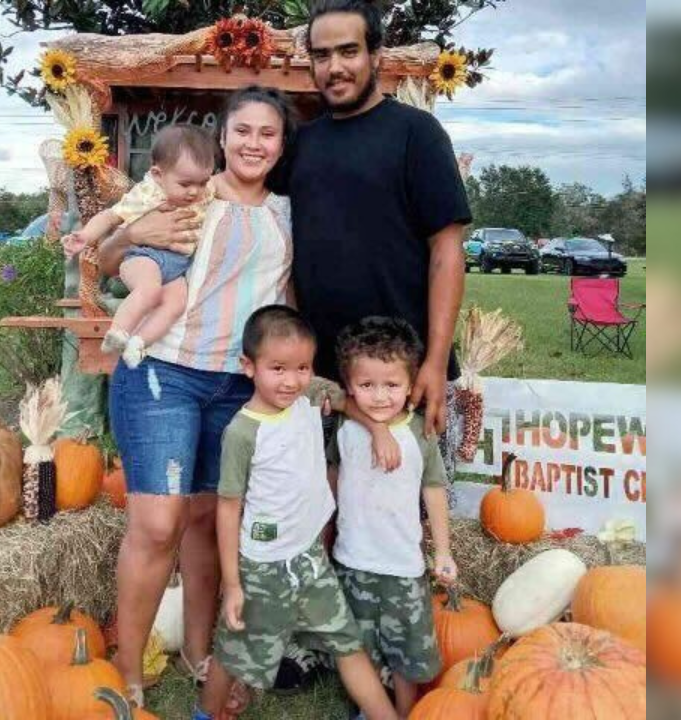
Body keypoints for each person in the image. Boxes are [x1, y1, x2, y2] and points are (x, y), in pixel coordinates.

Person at [93, 86, 295, 710]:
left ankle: (198, 651)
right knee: (159, 523)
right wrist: (128, 237)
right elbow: (106, 259)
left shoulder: (291, 210)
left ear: (282, 144)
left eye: (268, 132)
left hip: (238, 381)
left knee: (210, 520)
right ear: (224, 136)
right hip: (165, 370)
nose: (254, 143)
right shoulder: (190, 194)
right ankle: (128, 665)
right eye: (243, 131)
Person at [193, 305, 398, 720]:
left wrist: (377, 429)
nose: (291, 380)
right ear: (248, 366)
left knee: (347, 643)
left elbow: (344, 401)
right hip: (265, 569)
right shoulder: (243, 432)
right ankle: (206, 714)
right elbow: (228, 509)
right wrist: (232, 584)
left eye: (302, 367)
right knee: (235, 654)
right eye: (278, 368)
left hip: (309, 558)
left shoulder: (309, 395)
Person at [287, 0, 470, 444]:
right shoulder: (299, 144)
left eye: (348, 52)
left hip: (400, 379)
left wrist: (433, 361)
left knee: (406, 510)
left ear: (376, 56)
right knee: (322, 508)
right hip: (323, 381)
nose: (334, 67)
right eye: (321, 54)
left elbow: (447, 249)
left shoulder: (417, 134)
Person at [330, 316, 457, 716]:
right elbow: (331, 480)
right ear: (350, 386)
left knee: (406, 654)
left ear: (411, 383)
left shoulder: (420, 433)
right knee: (359, 646)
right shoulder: (343, 426)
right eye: (367, 385)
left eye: (392, 385)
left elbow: (434, 491)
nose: (380, 396)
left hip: (403, 567)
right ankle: (368, 708)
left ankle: (404, 711)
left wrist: (443, 552)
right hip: (352, 561)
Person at [61, 125, 219, 368]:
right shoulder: (148, 194)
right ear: (157, 174)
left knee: (176, 303)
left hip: (177, 265)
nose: (194, 191)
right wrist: (85, 235)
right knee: (149, 289)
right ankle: (118, 332)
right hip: (145, 256)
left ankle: (139, 342)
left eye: (202, 182)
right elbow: (110, 216)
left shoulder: (205, 191)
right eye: (185, 184)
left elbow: (221, 186)